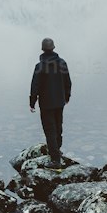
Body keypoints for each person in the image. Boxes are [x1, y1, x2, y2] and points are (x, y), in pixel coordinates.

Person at [29, 37, 72, 166]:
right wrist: (67, 97)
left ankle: (55, 160)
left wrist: (32, 103)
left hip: (46, 104)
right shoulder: (62, 63)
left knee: (50, 130)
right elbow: (68, 82)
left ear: (42, 49)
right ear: (53, 48)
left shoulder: (40, 66)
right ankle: (57, 150)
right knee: (58, 126)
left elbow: (35, 86)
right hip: (60, 102)